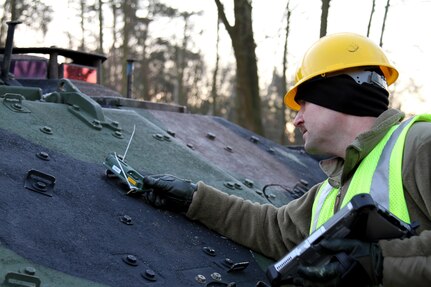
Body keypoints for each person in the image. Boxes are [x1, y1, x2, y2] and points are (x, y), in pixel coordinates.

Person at [141, 33, 431, 286]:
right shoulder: (331, 190)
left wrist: (379, 263)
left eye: (303, 102)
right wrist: (195, 199)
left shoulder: (421, 145)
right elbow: (275, 229)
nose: (297, 119)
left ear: (339, 96)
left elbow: (369, 263)